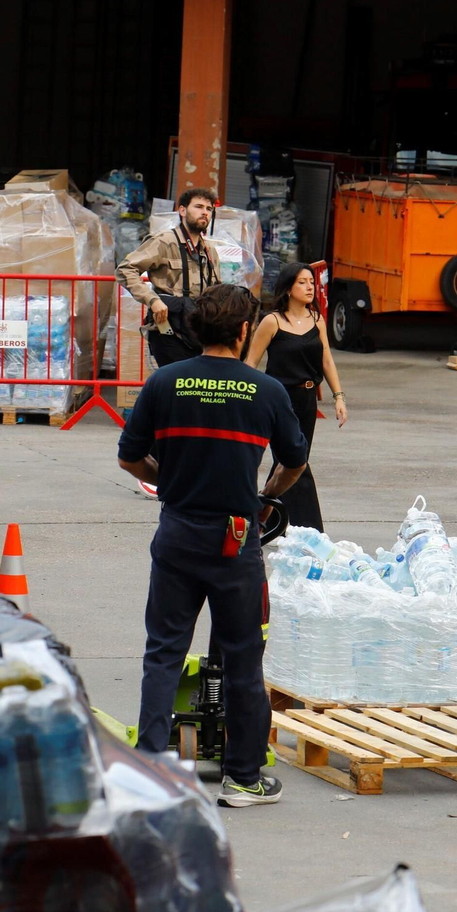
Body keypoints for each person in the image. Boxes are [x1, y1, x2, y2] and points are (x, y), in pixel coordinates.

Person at [117, 283, 309, 808]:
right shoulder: (265, 391)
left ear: (195, 330)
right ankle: (243, 779)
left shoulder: (164, 383)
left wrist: (167, 479)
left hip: (178, 530)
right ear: (245, 330)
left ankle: (152, 777)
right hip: (236, 537)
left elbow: (130, 457)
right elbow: (295, 460)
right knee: (243, 660)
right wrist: (265, 497)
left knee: (163, 654)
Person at [243, 262, 347, 532]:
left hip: (307, 400)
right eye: (302, 282)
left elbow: (326, 360)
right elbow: (250, 362)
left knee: (288, 464)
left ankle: (260, 518)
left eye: (311, 282)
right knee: (296, 463)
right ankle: (311, 531)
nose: (310, 287)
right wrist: (240, 394)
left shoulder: (317, 320)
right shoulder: (272, 321)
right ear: (288, 288)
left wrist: (338, 397)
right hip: (279, 400)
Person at [117, 187, 223, 367]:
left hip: (200, 329)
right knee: (177, 385)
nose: (204, 212)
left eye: (209, 209)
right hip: (169, 330)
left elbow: (217, 289)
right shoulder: (164, 241)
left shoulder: (209, 250)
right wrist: (153, 300)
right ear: (182, 210)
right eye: (198, 207)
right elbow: (125, 269)